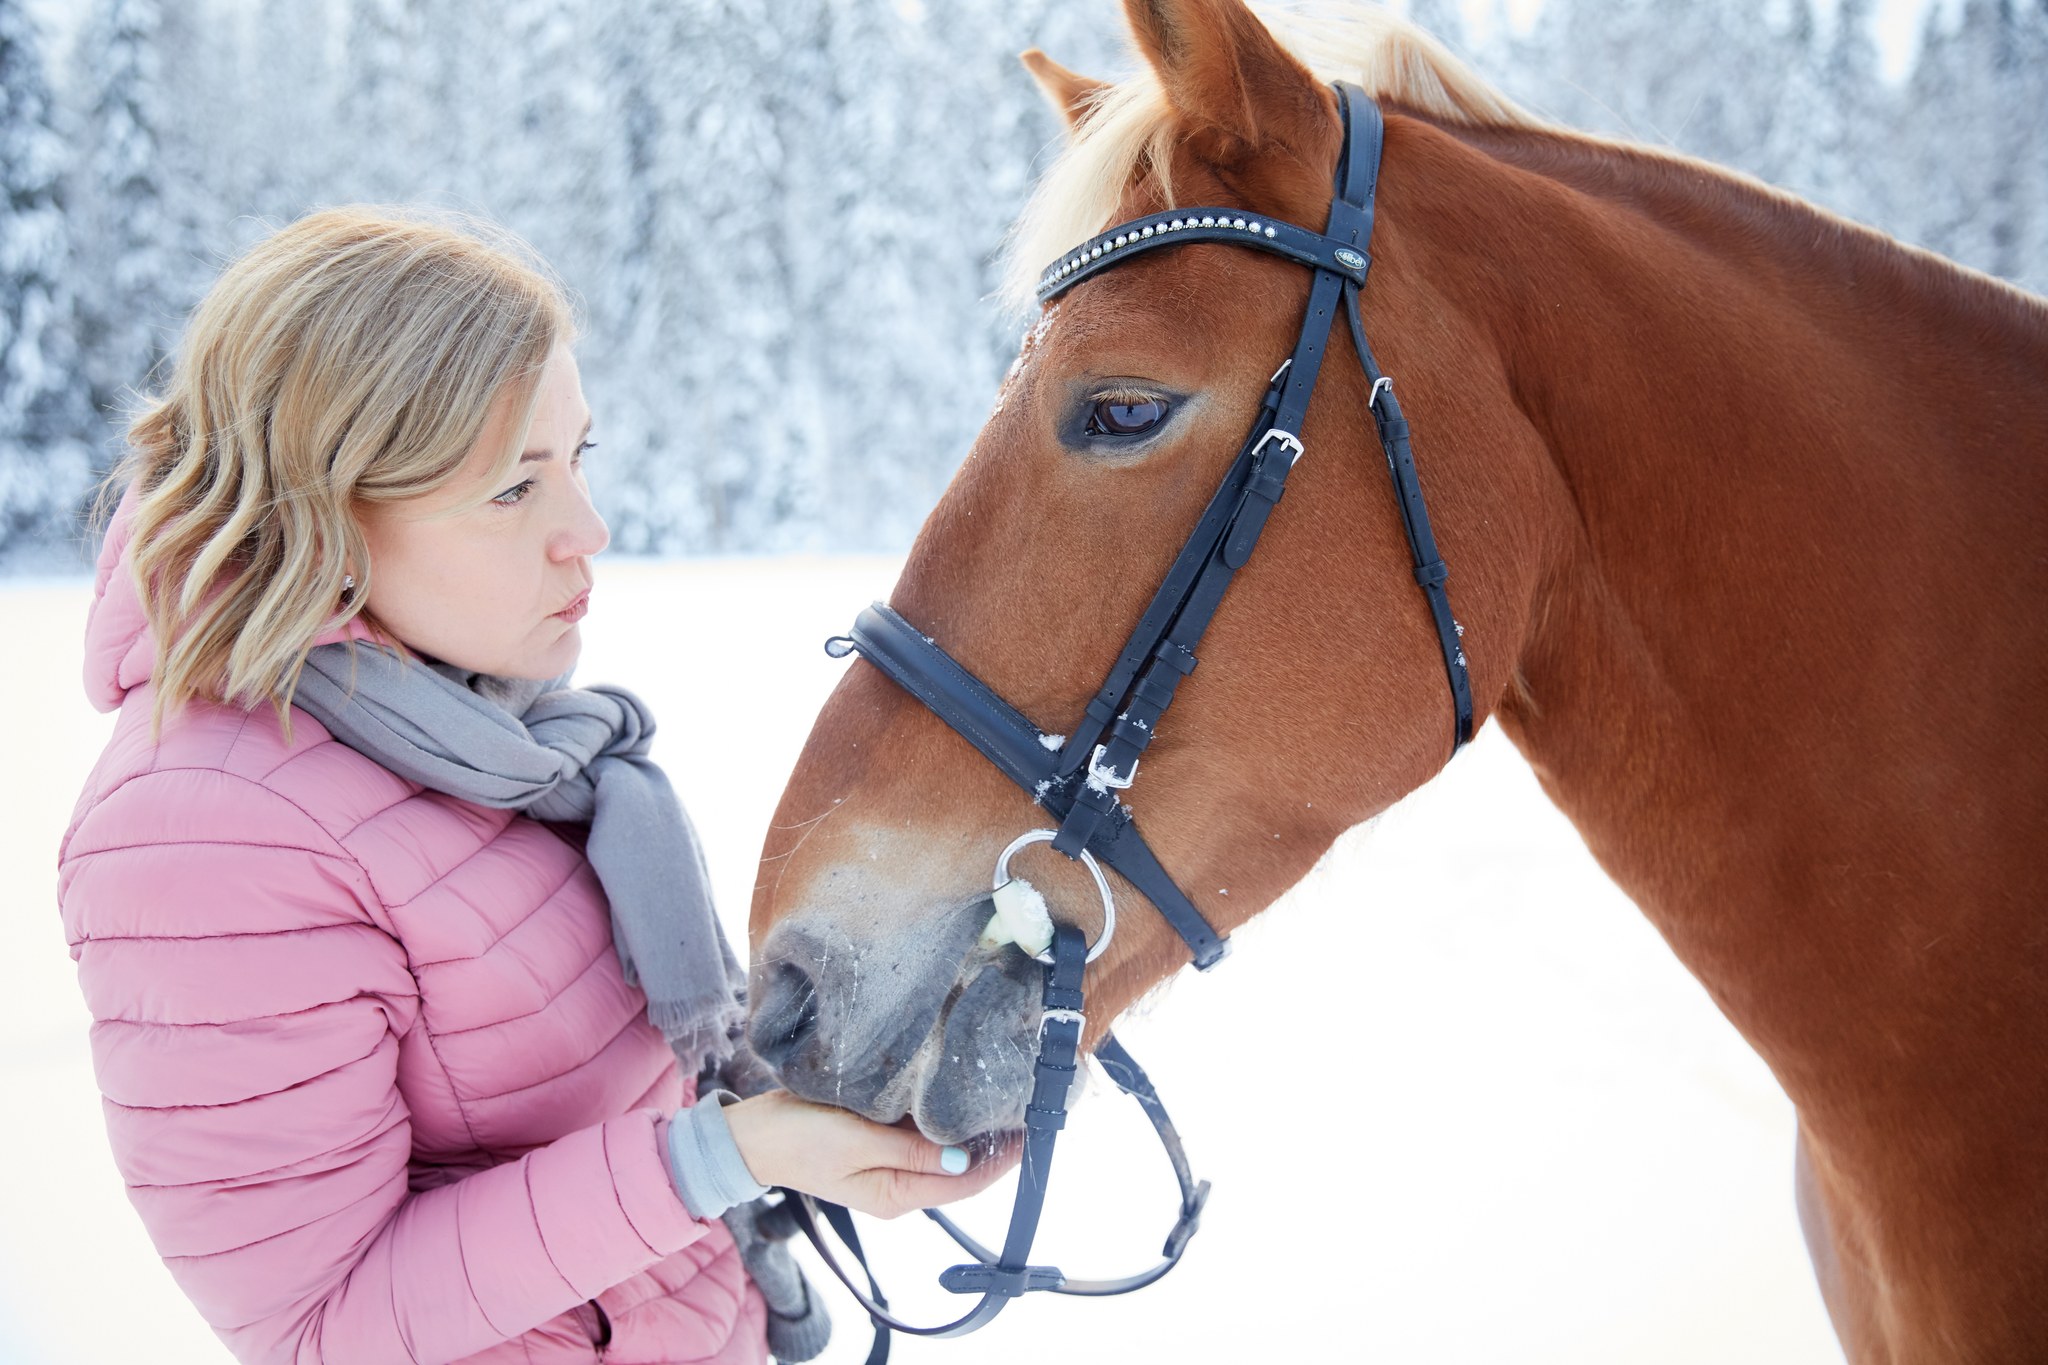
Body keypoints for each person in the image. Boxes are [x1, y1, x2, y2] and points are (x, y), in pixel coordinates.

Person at [56, 206, 1013, 1365]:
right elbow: (320, 1326)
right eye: (513, 490)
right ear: (325, 515)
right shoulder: (207, 838)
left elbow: (628, 1088)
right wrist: (728, 1159)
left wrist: (865, 1075)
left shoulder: (470, 728)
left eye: (577, 459)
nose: (588, 531)